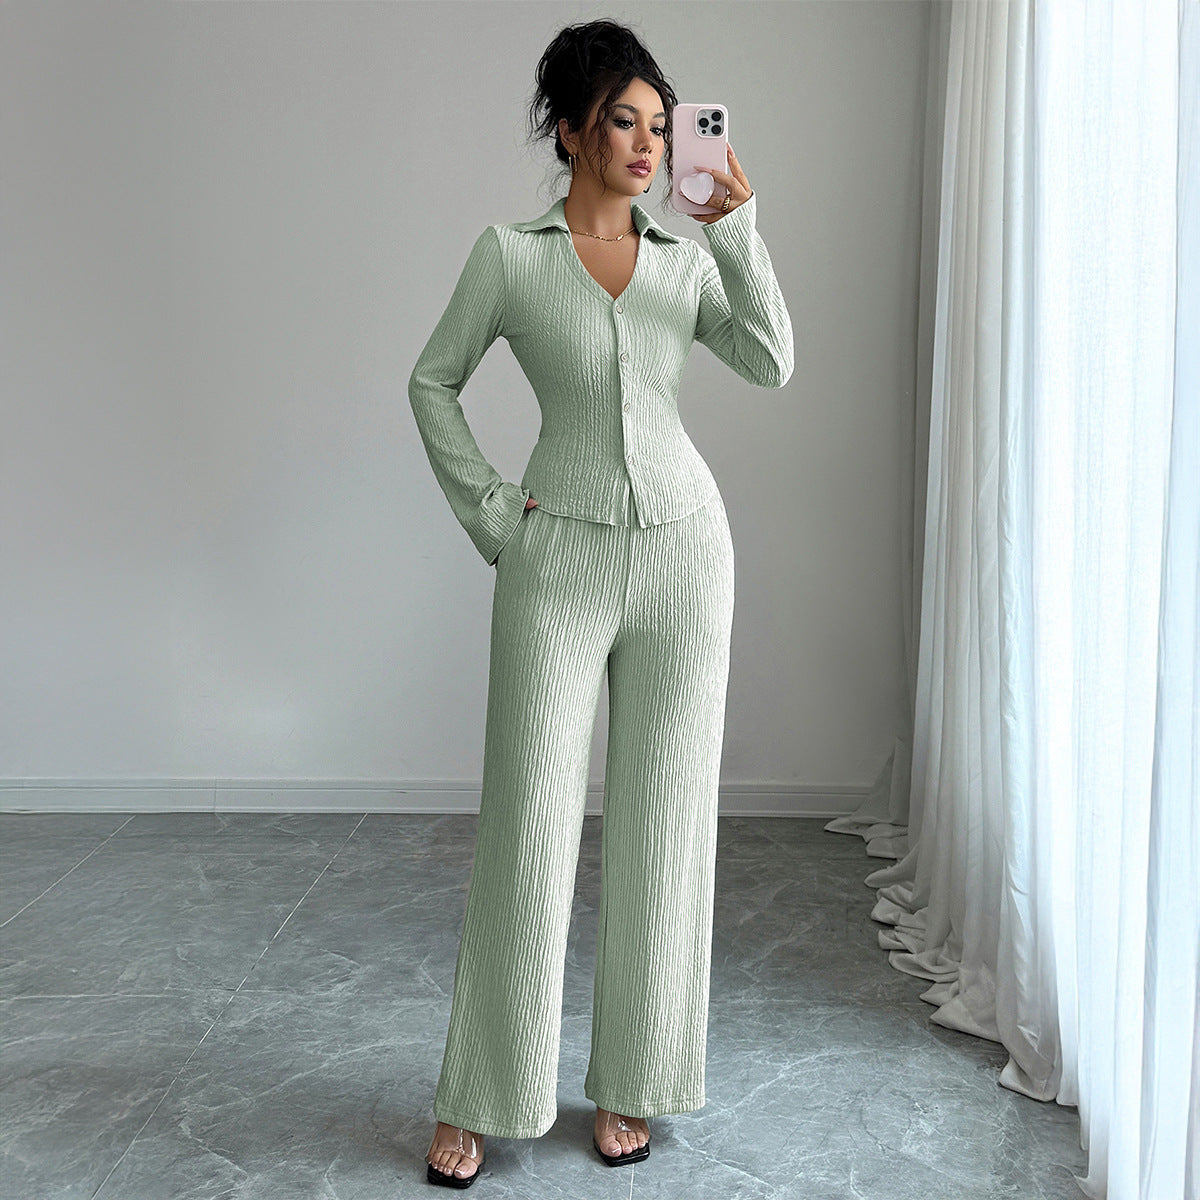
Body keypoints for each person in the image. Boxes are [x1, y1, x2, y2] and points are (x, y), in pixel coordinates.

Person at [408, 17, 793, 1188]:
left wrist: (738, 232)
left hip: (687, 558)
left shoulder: (685, 263)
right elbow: (432, 381)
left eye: (662, 125)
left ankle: (636, 1079)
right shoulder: (510, 256)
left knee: (666, 830)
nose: (648, 143)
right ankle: (483, 1093)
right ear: (572, 130)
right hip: (557, 564)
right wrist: (493, 514)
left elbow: (771, 359)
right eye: (625, 120)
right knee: (529, 827)